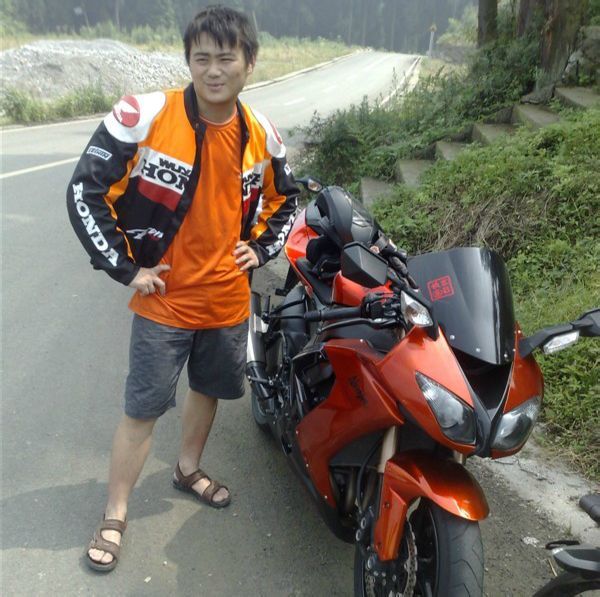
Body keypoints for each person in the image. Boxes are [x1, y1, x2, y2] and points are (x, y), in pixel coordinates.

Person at [67, 5, 298, 573]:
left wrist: (261, 249)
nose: (213, 70)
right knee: (142, 408)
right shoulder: (145, 116)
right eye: (202, 58)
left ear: (249, 62)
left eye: (226, 58)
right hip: (163, 301)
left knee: (209, 389)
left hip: (227, 301)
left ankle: (187, 468)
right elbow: (85, 190)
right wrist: (126, 267)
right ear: (188, 61)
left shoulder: (261, 133)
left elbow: (286, 200)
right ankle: (115, 512)